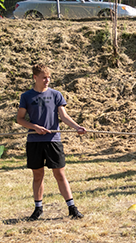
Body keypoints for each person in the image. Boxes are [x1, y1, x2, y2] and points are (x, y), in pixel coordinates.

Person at [16, 63, 86, 220]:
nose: (47, 80)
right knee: (38, 175)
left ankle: (72, 208)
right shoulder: (26, 97)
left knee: (60, 174)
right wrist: (34, 127)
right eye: (44, 78)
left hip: (53, 140)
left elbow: (64, 116)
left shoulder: (56, 95)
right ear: (35, 78)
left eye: (49, 77)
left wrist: (77, 127)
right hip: (34, 141)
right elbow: (20, 119)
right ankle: (38, 209)